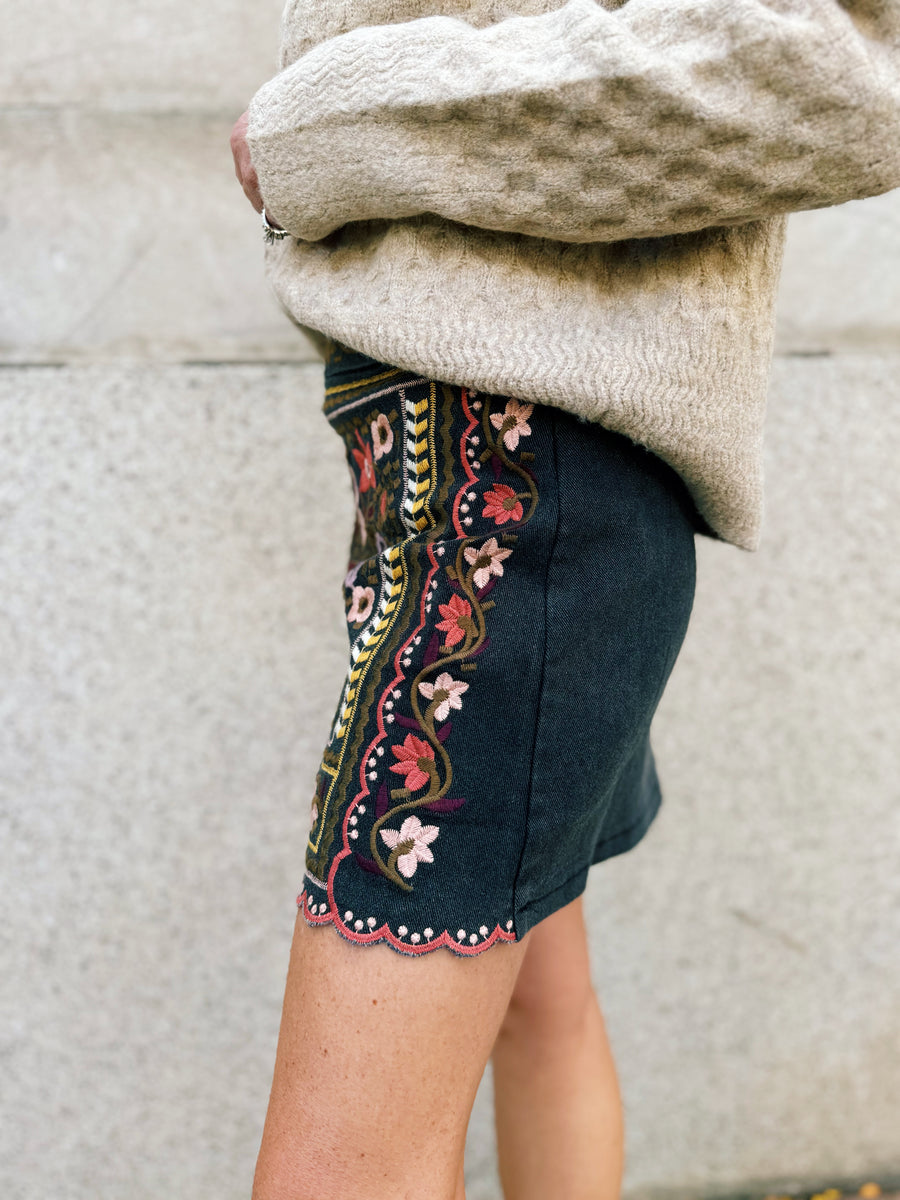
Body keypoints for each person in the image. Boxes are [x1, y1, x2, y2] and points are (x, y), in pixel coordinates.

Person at [230, 2, 900, 1197]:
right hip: (477, 462)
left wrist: (326, 126)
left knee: (344, 1166)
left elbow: (840, 62)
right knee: (542, 997)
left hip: (517, 471)